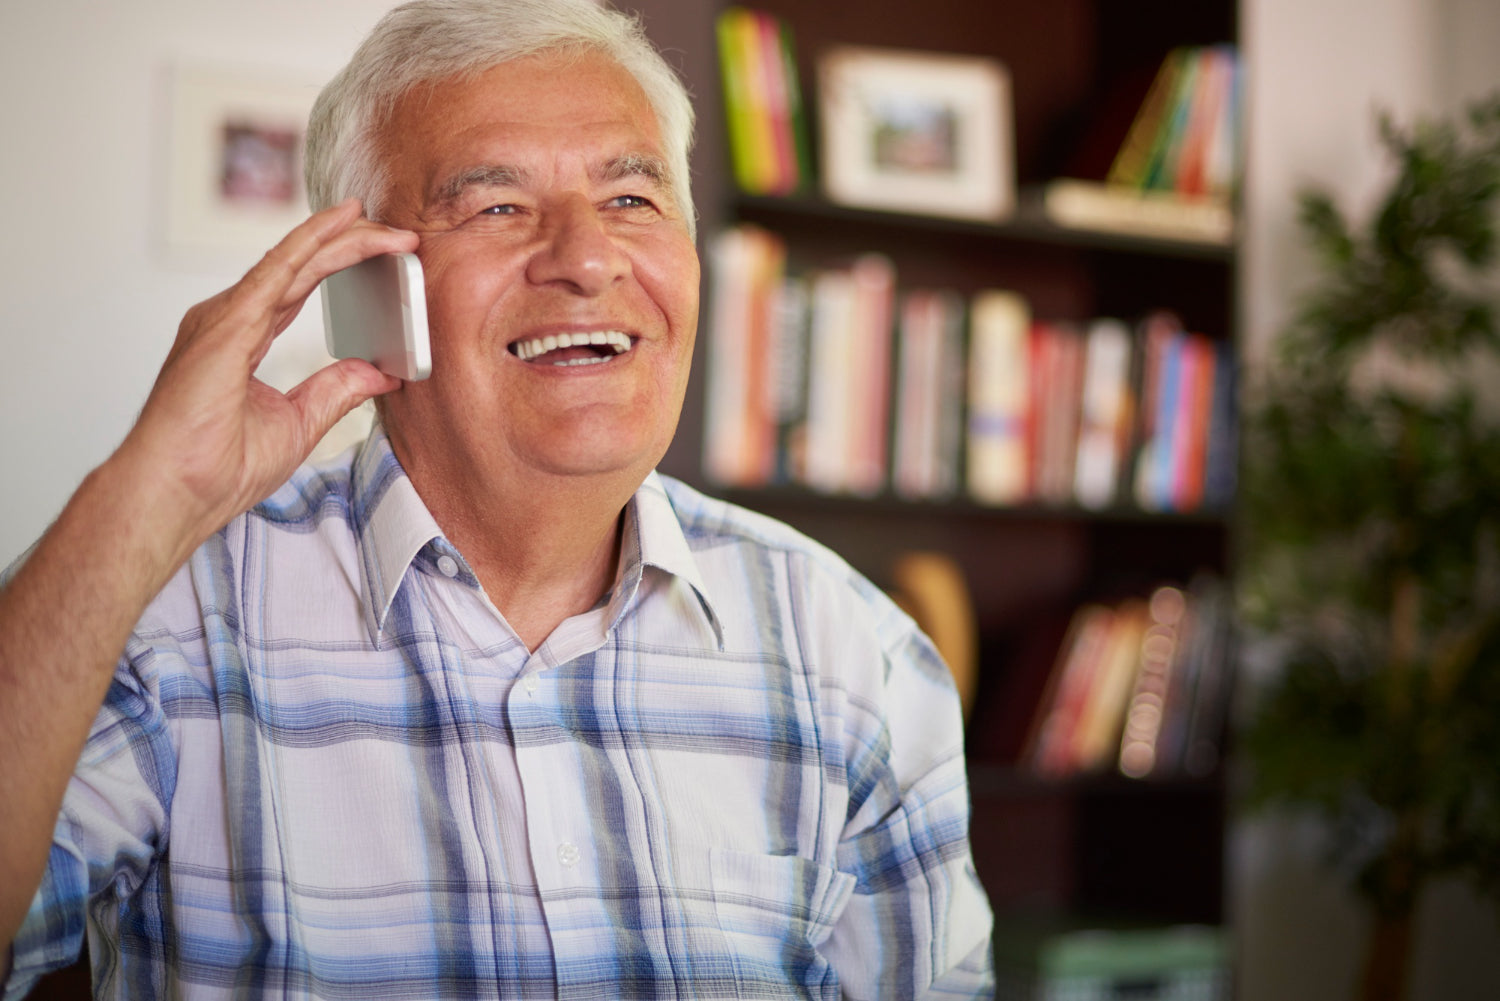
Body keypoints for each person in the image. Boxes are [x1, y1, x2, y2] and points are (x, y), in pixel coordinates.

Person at [0, 0, 994, 996]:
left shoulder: (860, 655)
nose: (588, 258)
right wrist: (146, 494)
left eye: (632, 200)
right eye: (496, 206)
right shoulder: (165, 613)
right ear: (367, 286)